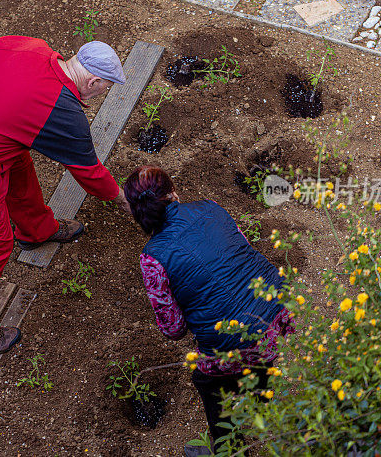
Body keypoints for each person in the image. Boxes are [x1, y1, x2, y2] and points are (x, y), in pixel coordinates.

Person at [0, 36, 130, 359]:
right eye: (105, 87)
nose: (102, 93)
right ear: (93, 80)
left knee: (19, 159)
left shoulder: (31, 47)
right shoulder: (62, 112)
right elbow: (88, 172)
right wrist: (122, 198)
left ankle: (38, 230)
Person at [123, 166, 294, 456]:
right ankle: (257, 398)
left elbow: (173, 328)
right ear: (173, 193)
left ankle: (229, 448)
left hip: (233, 342)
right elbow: (243, 248)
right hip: (280, 306)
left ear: (135, 213)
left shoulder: (153, 257)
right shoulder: (211, 208)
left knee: (209, 383)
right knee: (260, 357)